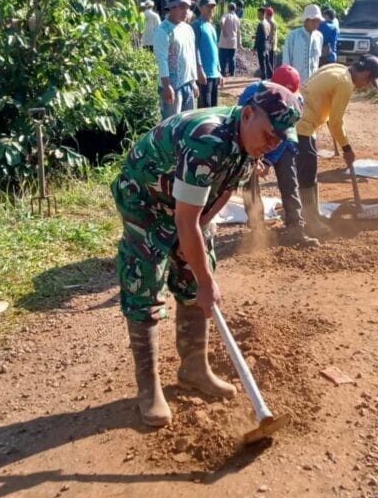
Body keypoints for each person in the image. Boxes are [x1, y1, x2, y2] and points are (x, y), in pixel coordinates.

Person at [111, 83, 302, 426]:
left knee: (194, 270)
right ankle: (148, 388)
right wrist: (205, 279)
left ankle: (194, 368)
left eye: (279, 140)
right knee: (145, 280)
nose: (271, 144)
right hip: (145, 198)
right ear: (248, 114)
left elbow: (218, 196)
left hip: (185, 204)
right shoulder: (207, 139)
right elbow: (184, 221)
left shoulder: (249, 145)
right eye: (268, 135)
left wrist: (196, 248)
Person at [296, 55, 378, 237]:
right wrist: (347, 148)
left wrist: (344, 144)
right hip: (302, 124)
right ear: (365, 73)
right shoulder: (345, 83)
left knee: (310, 171)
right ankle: (310, 221)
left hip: (302, 118)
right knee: (306, 172)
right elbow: (335, 122)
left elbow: (331, 119)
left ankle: (314, 213)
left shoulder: (338, 69)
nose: (366, 86)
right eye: (369, 82)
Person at [238, 65, 318, 246]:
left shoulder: (297, 100)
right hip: (253, 139)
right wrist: (254, 157)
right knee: (248, 179)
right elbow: (242, 127)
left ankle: (296, 227)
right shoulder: (251, 94)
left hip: (282, 143)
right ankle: (257, 227)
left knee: (289, 180)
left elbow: (287, 136)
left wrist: (268, 160)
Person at [154, 0, 200, 120]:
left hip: (187, 84)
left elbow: (191, 56)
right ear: (172, 8)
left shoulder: (188, 29)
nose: (186, 11)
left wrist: (193, 82)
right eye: (182, 7)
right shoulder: (163, 30)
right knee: (171, 124)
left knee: (187, 123)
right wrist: (167, 86)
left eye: (187, 7)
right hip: (172, 87)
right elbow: (162, 60)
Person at [193, 0, 223, 108]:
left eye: (213, 6)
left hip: (214, 73)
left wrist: (219, 71)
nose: (211, 9)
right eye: (208, 6)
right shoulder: (196, 25)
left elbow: (215, 48)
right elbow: (195, 48)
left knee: (214, 106)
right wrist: (199, 69)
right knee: (205, 106)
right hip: (204, 73)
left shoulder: (211, 26)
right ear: (200, 8)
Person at [282, 4, 324, 84]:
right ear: (306, 20)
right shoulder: (293, 36)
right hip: (295, 82)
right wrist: (288, 80)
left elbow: (317, 59)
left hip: (313, 82)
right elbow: (286, 60)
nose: (316, 24)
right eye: (313, 21)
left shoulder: (319, 37)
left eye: (318, 21)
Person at [218, 2, 241, 77]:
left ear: (228, 8)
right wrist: (239, 43)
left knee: (223, 58)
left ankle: (223, 72)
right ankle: (232, 72)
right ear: (235, 9)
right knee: (232, 58)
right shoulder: (237, 18)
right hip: (233, 41)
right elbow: (238, 32)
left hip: (224, 41)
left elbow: (221, 22)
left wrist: (224, 31)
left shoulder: (226, 15)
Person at [254, 7, 271, 80]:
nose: (257, 15)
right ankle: (271, 76)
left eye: (258, 14)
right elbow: (267, 35)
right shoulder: (267, 23)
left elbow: (259, 37)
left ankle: (264, 78)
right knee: (267, 62)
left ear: (262, 14)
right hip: (266, 45)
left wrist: (255, 47)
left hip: (261, 46)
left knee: (262, 63)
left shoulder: (261, 24)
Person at [265, 7, 278, 76]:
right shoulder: (272, 21)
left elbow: (271, 35)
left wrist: (268, 44)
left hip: (270, 45)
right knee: (270, 61)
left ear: (267, 14)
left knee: (269, 61)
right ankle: (270, 75)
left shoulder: (271, 22)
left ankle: (271, 76)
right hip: (272, 45)